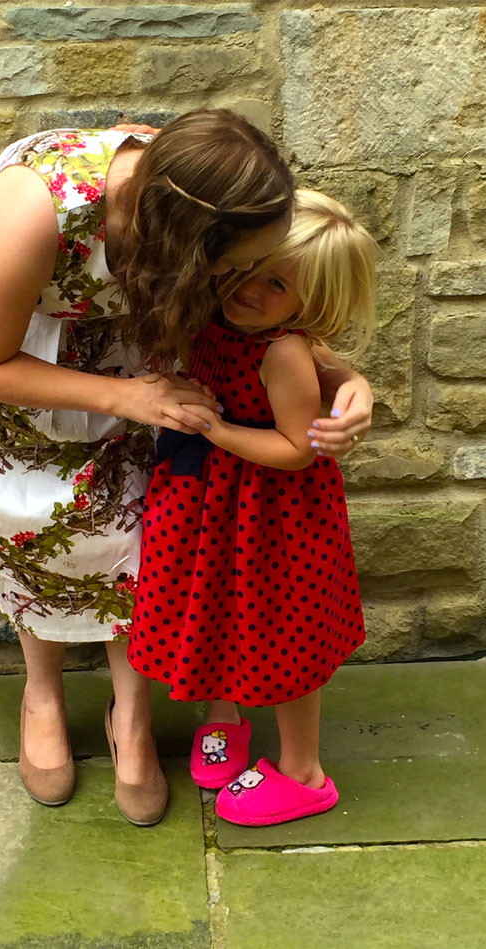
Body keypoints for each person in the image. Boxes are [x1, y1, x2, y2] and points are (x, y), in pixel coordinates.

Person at [0, 110, 372, 828]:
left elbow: (270, 322)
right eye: (233, 271)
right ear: (188, 246)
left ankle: (133, 714)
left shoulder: (190, 194)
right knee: (24, 511)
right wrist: (129, 395)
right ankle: (42, 695)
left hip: (115, 335)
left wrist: (343, 380)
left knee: (130, 519)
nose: (238, 284)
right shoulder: (37, 211)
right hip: (0, 343)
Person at [128, 189, 376, 826]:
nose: (251, 291)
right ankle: (223, 716)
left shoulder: (283, 352)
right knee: (208, 606)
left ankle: (304, 772)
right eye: (252, 269)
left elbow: (298, 449)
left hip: (271, 512)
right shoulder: (214, 306)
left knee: (283, 628)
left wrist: (216, 432)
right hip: (204, 501)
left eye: (277, 286)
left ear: (307, 306)